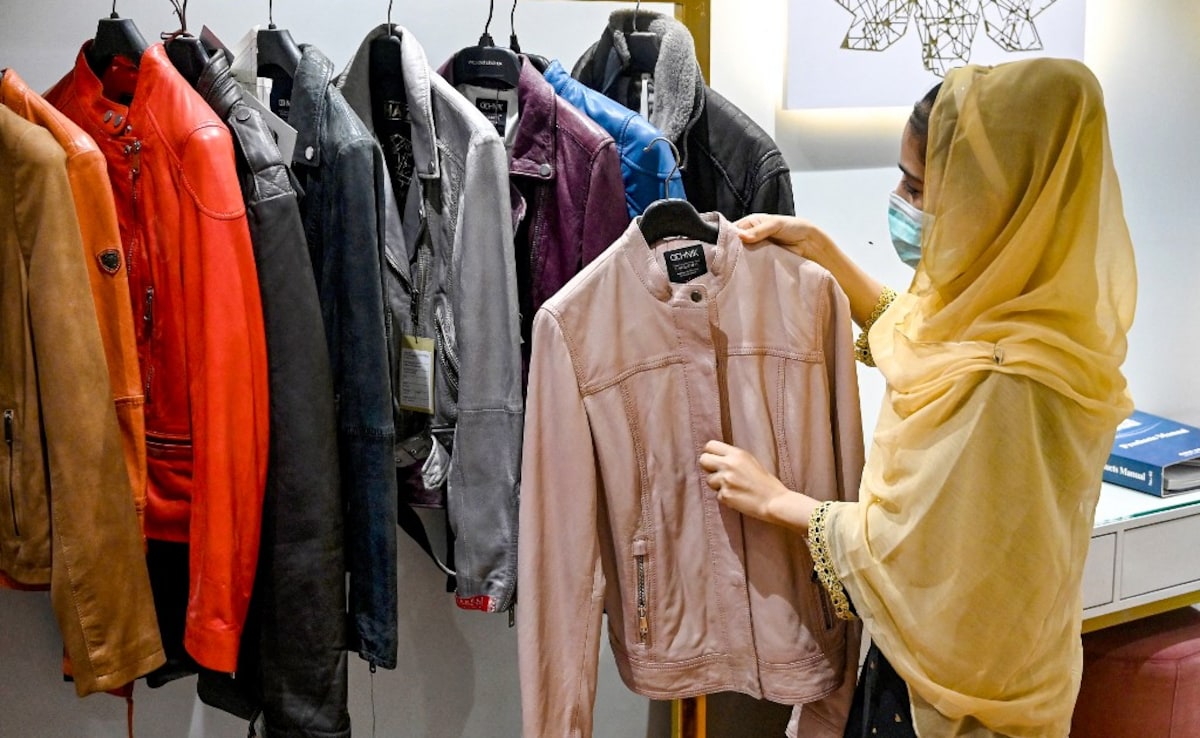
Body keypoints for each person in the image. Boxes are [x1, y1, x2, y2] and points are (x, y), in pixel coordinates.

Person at [699, 57, 1137, 738]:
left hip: (955, 708)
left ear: (993, 200)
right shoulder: (1033, 315)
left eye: (919, 186)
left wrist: (778, 500)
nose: (903, 204)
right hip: (995, 677)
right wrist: (822, 250)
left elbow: (912, 557)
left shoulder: (1007, 385)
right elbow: (926, 340)